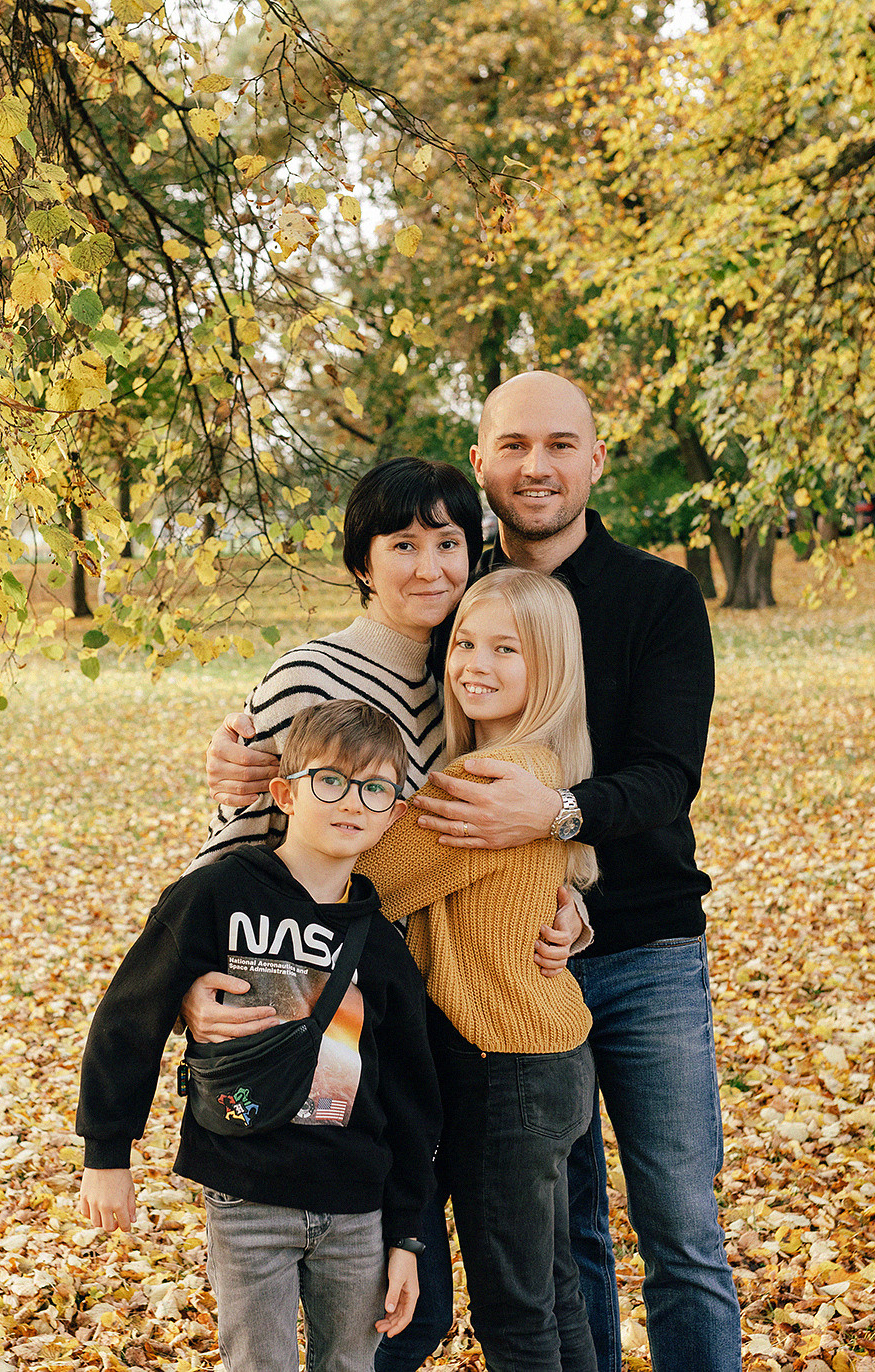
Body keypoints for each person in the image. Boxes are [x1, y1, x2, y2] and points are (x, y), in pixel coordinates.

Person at [199, 372, 737, 1372]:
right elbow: (281, 803)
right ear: (483, 461)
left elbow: (667, 775)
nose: (537, 467)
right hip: (461, 987)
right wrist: (254, 766)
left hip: (634, 948)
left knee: (676, 1227)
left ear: (595, 458)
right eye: (514, 446)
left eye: (560, 444)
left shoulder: (652, 595)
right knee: (556, 1245)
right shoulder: (455, 598)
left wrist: (557, 838)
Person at [77, 699, 442, 1372]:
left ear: (393, 813)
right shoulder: (219, 894)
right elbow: (131, 1015)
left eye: (374, 788)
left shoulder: (383, 945)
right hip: (247, 1193)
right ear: (285, 793)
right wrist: (107, 1152)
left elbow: (411, 1099)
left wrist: (406, 1236)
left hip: (355, 1209)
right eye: (329, 780)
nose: (351, 800)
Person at [351, 568, 600, 1372]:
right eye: (464, 642)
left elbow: (365, 879)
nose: (474, 664)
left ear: (549, 668)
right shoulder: (543, 765)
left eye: (506, 649)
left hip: (502, 1067)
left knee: (516, 1317)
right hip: (549, 1054)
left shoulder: (486, 781)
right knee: (552, 1291)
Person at [186, 456, 485, 874]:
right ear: (363, 567)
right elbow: (233, 848)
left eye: (448, 544)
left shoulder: (460, 690)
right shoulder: (306, 679)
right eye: (404, 545)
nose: (430, 570)